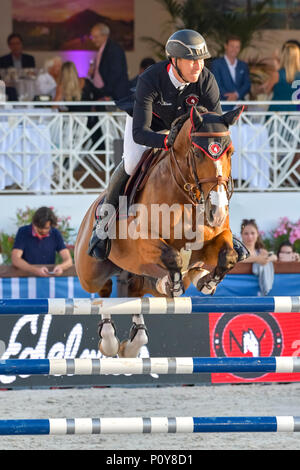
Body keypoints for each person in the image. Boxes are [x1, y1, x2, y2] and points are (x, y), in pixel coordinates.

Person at [88, 28, 249, 263]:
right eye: (192, 61)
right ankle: (104, 222)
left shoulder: (205, 80)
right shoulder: (151, 79)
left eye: (201, 60)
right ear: (174, 60)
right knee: (132, 163)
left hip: (183, 129)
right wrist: (168, 142)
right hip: (150, 126)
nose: (198, 66)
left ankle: (224, 230)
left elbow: (214, 126)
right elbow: (141, 133)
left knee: (211, 170)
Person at [11, 207, 72, 277]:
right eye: (40, 228)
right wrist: (35, 270)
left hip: (48, 279)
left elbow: (68, 260)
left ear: (51, 225)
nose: (43, 231)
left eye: (46, 228)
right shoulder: (23, 232)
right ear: (34, 223)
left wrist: (61, 267)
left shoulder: (55, 233)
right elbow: (15, 259)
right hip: (27, 279)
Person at [88, 23, 130, 101]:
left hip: (113, 96)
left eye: (96, 37)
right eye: (92, 37)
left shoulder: (113, 50)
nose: (93, 40)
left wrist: (107, 94)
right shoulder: (103, 49)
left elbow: (116, 74)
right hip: (104, 93)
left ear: (105, 36)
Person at [211, 36, 251, 110]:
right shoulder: (216, 64)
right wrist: (228, 96)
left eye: (237, 47)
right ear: (226, 46)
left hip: (240, 106)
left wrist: (236, 95)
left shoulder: (243, 65)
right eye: (232, 46)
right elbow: (216, 84)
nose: (234, 50)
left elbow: (247, 84)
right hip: (222, 105)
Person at [240, 219, 277, 296]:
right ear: (241, 235)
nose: (249, 236)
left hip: (259, 292)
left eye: (252, 233)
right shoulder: (237, 251)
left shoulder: (261, 252)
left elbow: (274, 257)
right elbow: (236, 259)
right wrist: (257, 259)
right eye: (246, 233)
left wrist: (267, 259)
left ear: (257, 234)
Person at [268, 42, 300, 112]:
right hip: (296, 114)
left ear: (284, 56)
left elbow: (267, 91)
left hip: (277, 113)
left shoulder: (277, 74)